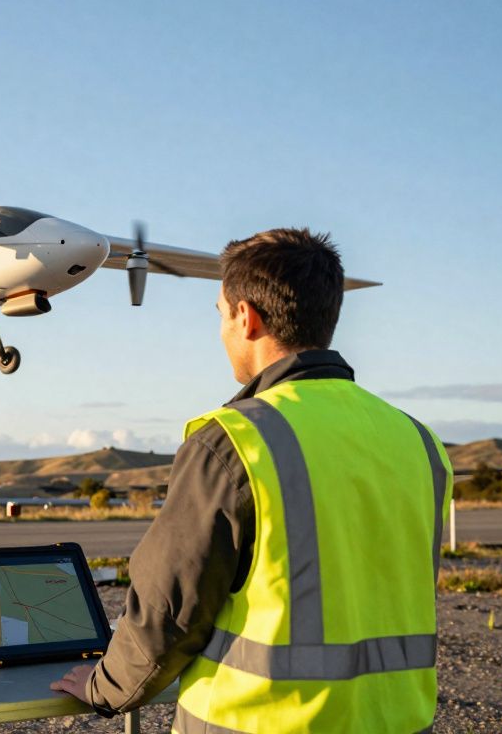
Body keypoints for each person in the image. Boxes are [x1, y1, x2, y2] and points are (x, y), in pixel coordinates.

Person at [52, 228, 451, 732]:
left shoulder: (233, 441)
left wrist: (105, 686)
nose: (221, 330)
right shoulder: (419, 442)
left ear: (247, 317)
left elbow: (168, 610)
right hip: (398, 722)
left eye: (221, 314)